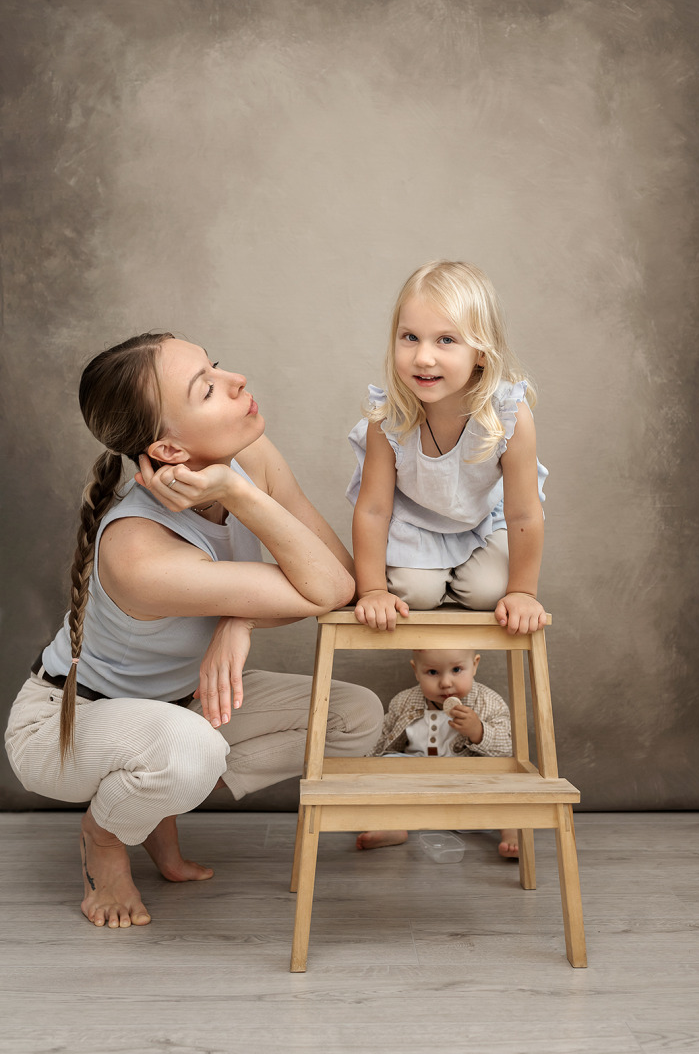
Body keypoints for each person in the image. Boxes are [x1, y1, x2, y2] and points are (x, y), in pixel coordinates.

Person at [4, 332, 383, 929]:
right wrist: (236, 491)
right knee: (191, 750)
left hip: (175, 703)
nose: (237, 382)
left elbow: (340, 577)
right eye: (207, 388)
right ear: (170, 449)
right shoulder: (137, 551)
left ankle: (156, 798)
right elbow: (327, 591)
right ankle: (104, 839)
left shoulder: (251, 455)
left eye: (218, 366)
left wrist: (238, 617)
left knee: (355, 715)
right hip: (63, 721)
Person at [347, 260, 549, 634]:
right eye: (410, 337)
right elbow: (374, 510)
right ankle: (428, 576)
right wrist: (372, 589)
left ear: (482, 353)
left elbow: (523, 513)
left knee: (489, 592)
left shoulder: (508, 416)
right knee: (413, 594)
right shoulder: (388, 419)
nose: (423, 357)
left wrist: (523, 592)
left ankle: (470, 577)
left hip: (484, 521)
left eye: (446, 340)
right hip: (416, 523)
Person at [355, 648, 518, 857]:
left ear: (475, 665)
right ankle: (391, 825)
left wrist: (478, 731)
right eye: (433, 672)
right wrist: (365, 766)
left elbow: (509, 746)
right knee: (384, 767)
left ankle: (511, 830)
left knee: (506, 778)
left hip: (468, 779)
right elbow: (383, 737)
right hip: (417, 775)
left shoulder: (488, 702)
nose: (446, 683)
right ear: (416, 670)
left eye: (457, 670)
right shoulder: (404, 701)